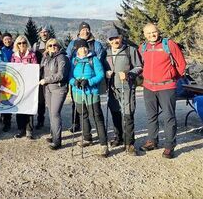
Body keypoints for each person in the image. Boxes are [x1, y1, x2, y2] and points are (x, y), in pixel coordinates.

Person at [139, 23, 186, 159]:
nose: (151, 35)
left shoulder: (169, 44)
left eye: (153, 32)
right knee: (151, 116)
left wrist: (172, 78)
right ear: (144, 35)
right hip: (148, 87)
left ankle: (169, 146)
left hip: (166, 87)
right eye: (148, 33)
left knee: (168, 117)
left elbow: (181, 64)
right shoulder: (143, 47)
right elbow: (140, 65)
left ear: (158, 31)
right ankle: (152, 141)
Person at [104, 28, 142, 156]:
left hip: (127, 86)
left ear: (121, 37)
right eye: (111, 39)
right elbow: (103, 68)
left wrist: (128, 74)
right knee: (115, 112)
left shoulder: (130, 50)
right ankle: (119, 137)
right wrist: (105, 73)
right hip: (112, 88)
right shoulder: (107, 52)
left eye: (116, 38)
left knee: (128, 113)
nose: (115, 40)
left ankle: (130, 143)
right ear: (108, 41)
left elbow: (139, 67)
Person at [69, 39, 109, 157]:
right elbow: (69, 76)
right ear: (77, 49)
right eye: (81, 48)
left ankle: (103, 144)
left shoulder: (94, 59)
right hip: (78, 92)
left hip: (91, 92)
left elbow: (101, 75)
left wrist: (89, 82)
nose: (83, 49)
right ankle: (87, 138)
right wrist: (74, 82)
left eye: (85, 47)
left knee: (97, 117)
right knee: (83, 115)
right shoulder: (74, 61)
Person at [66, 22, 106, 132]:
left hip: (91, 79)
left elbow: (99, 58)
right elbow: (68, 56)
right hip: (76, 76)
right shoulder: (73, 43)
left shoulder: (96, 44)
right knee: (77, 104)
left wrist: (90, 76)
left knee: (94, 109)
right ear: (79, 31)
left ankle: (99, 131)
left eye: (87, 29)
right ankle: (77, 124)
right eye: (83, 30)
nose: (85, 31)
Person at [39, 39, 69, 150]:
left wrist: (46, 80)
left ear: (59, 45)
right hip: (48, 88)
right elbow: (42, 70)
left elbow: (61, 75)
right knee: (51, 113)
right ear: (47, 47)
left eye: (55, 45)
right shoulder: (46, 58)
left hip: (59, 88)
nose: (53, 47)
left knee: (55, 113)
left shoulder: (62, 58)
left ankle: (57, 141)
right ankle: (53, 135)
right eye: (50, 45)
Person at [11, 35, 37, 139]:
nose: (22, 45)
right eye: (19, 43)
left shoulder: (32, 55)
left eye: (24, 43)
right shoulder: (14, 56)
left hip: (29, 84)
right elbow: (11, 69)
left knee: (29, 108)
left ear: (27, 44)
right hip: (17, 85)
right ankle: (21, 129)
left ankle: (29, 129)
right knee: (20, 107)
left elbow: (35, 68)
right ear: (16, 45)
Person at [32, 25, 50, 129]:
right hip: (40, 74)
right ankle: (40, 120)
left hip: (51, 74)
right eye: (42, 32)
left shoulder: (53, 43)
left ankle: (54, 121)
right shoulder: (36, 45)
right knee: (41, 100)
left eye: (46, 32)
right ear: (39, 34)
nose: (44, 33)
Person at [1, 32, 14, 131]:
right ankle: (6, 123)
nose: (7, 41)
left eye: (9, 39)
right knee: (5, 99)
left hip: (14, 76)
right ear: (3, 40)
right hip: (3, 77)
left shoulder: (15, 49)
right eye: (5, 39)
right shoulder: (1, 50)